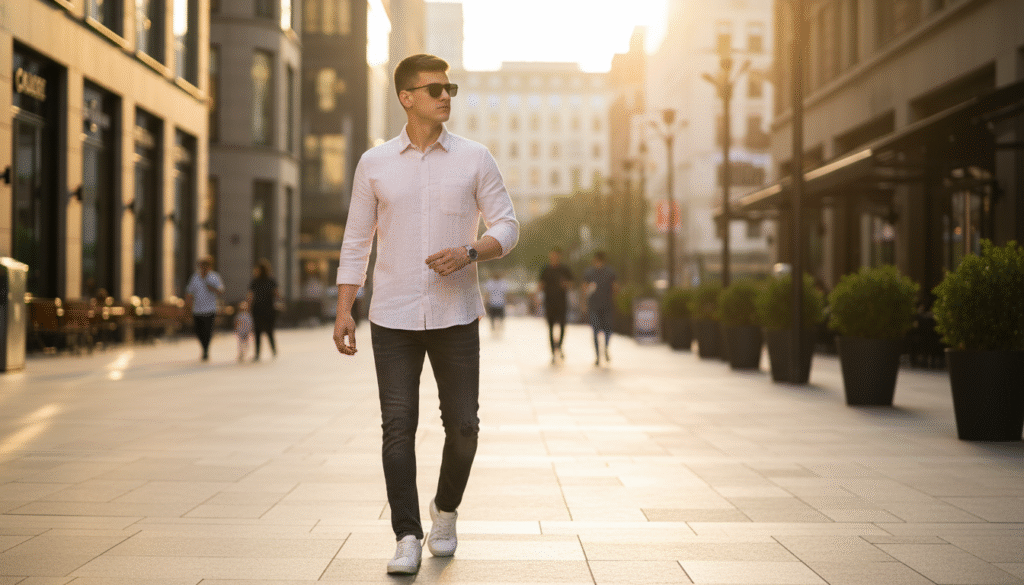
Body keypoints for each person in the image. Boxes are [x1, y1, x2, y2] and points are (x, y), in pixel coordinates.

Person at [332, 54, 519, 575]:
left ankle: (447, 509)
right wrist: (345, 309)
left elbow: (507, 225)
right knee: (398, 428)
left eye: (449, 88)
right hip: (391, 317)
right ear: (406, 98)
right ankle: (407, 535)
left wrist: (470, 251)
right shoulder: (374, 163)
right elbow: (356, 241)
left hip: (455, 314)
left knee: (464, 428)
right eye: (434, 89)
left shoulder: (475, 158)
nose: (445, 96)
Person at [185, 256, 224, 361]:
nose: (203, 268)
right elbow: (189, 292)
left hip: (210, 309)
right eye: (202, 266)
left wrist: (212, 288)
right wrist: (187, 306)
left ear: (209, 266)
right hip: (197, 309)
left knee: (208, 331)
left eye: (206, 266)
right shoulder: (195, 277)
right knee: (198, 331)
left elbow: (221, 291)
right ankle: (204, 347)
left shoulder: (214, 277)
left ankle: (206, 350)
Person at [583, 250, 618, 366]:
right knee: (596, 330)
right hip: (594, 306)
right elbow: (584, 288)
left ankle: (605, 349)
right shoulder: (589, 273)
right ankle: (598, 355)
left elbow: (615, 287)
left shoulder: (610, 272)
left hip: (606, 306)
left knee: (608, 330)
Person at [538, 247, 573, 363]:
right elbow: (541, 285)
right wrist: (537, 297)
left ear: (559, 256)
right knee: (550, 328)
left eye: (556, 255)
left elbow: (571, 284)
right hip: (549, 302)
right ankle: (553, 351)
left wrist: (565, 284)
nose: (554, 257)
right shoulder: (546, 269)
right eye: (552, 255)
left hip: (561, 303)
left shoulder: (564, 270)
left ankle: (560, 346)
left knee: (562, 326)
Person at [247, 259, 280, 360]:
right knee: (269, 331)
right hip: (269, 309)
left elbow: (250, 296)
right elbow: (277, 294)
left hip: (258, 309)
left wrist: (248, 307)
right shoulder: (271, 280)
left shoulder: (255, 281)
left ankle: (257, 353)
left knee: (257, 332)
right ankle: (273, 350)